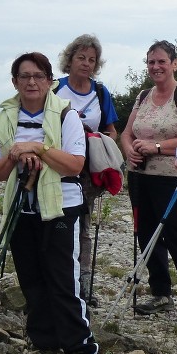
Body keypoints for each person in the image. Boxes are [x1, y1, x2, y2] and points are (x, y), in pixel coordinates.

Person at [0, 52, 100, 354]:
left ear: (50, 81)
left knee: (63, 279)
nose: (31, 82)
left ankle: (81, 351)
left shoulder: (66, 116)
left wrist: (40, 149)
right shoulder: (4, 119)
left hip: (62, 205)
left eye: (38, 76)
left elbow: (75, 164)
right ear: (14, 82)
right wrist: (14, 154)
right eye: (24, 76)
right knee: (32, 278)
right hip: (23, 207)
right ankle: (46, 340)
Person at [120, 41, 177, 324]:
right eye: (151, 62)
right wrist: (129, 151)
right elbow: (126, 133)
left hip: (174, 176)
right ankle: (161, 292)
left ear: (175, 64)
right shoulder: (143, 95)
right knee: (146, 234)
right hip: (140, 176)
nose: (156, 67)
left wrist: (156, 146)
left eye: (161, 61)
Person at [54, 34, 119, 302]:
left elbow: (112, 131)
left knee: (83, 222)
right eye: (81, 57)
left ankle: (83, 283)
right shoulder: (54, 89)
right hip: (58, 164)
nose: (86, 64)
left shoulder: (101, 93)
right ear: (70, 60)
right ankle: (59, 276)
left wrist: (98, 143)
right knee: (56, 219)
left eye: (91, 60)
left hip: (88, 171)